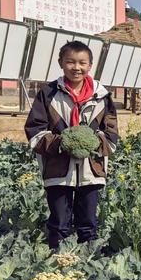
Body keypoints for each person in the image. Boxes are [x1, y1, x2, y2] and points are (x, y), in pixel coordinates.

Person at [24, 40, 118, 249]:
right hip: (57, 169)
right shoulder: (48, 93)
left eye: (82, 63)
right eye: (70, 62)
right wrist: (61, 143)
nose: (76, 67)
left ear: (90, 65)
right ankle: (58, 262)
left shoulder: (102, 96)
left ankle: (88, 264)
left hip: (91, 170)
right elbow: (34, 131)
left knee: (88, 223)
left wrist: (93, 142)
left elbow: (112, 135)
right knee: (59, 223)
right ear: (61, 63)